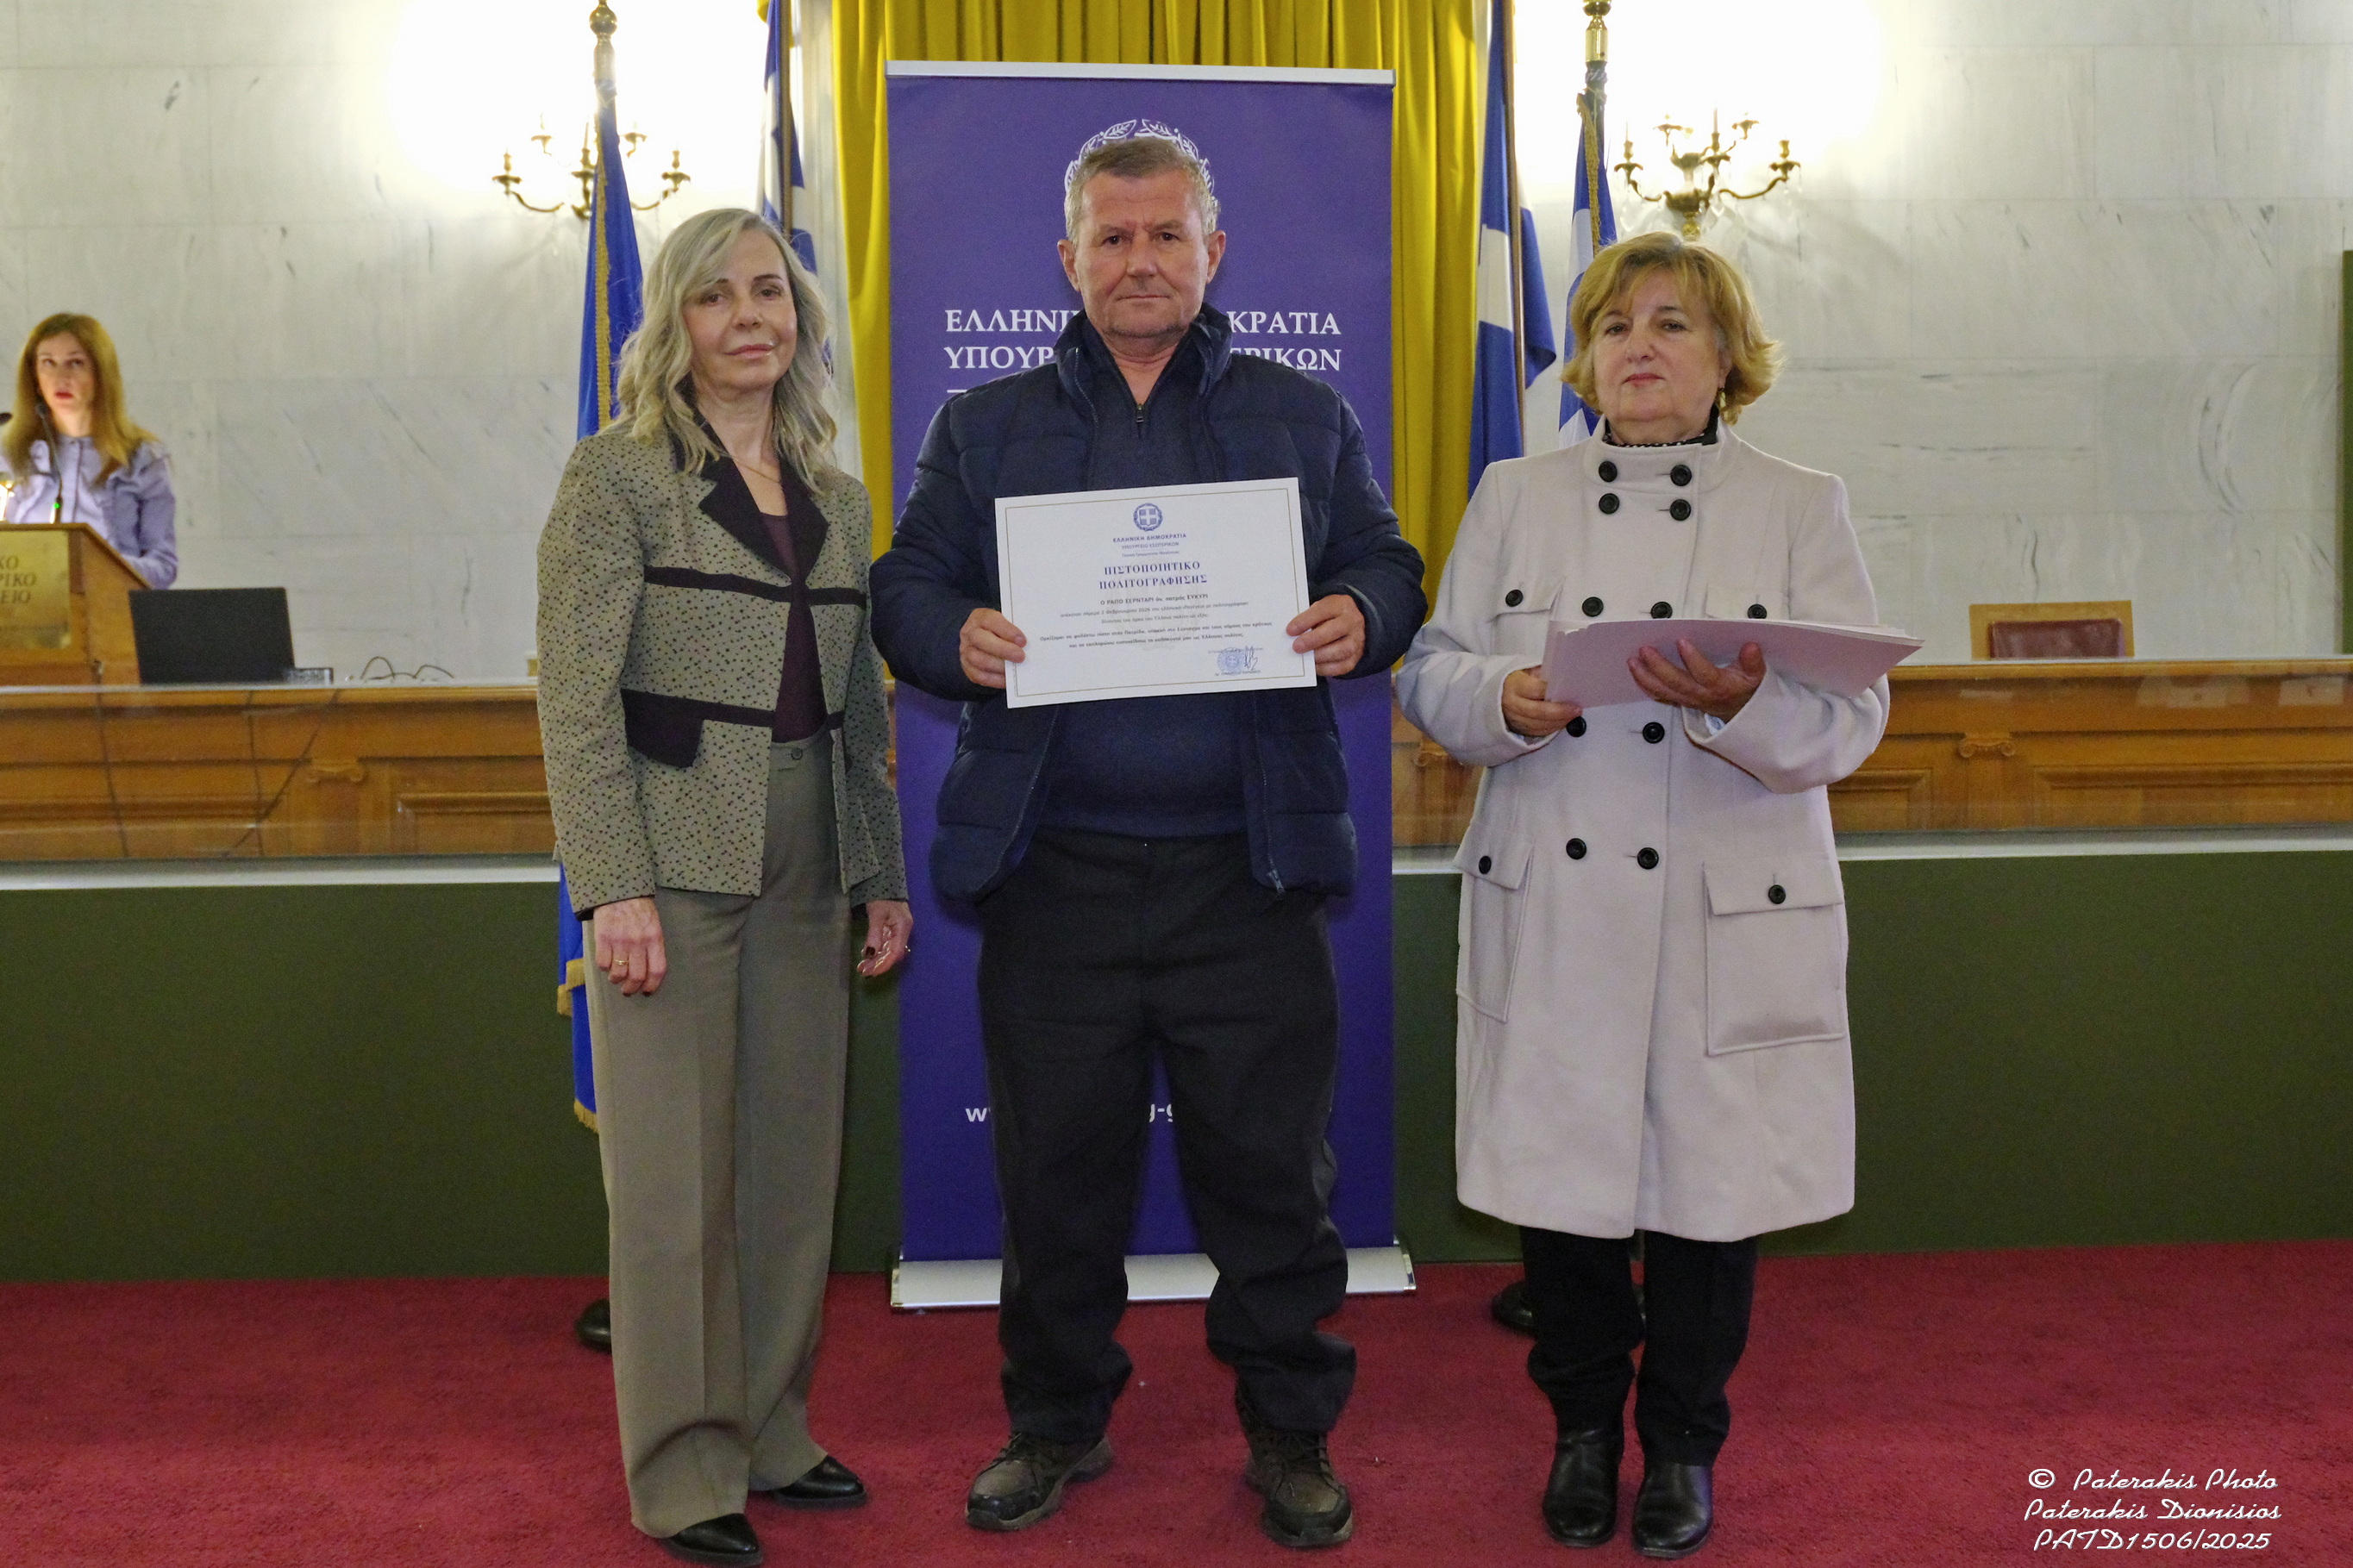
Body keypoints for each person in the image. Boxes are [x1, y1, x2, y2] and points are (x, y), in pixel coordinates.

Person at [871, 132, 1424, 1549]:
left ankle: (1289, 1430)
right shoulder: (981, 425)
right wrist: (951, 633)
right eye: (1110, 238)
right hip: (1054, 875)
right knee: (1056, 1181)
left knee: (1271, 1181)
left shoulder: (1303, 414)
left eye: (1164, 235)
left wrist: (1363, 612)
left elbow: (1386, 562)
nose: (1138, 261)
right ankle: (1055, 1422)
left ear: (1211, 253)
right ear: (1067, 259)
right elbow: (904, 585)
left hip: (1249, 873)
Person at [1397, 229, 1888, 1559]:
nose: (1639, 348)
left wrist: (1742, 701)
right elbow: (1432, 667)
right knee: (1559, 1199)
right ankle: (1578, 1429)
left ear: (1727, 357)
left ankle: (1680, 1444)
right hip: (1557, 901)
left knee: (1709, 1204)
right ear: (1583, 358)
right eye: (1614, 326)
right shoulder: (1516, 492)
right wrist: (1502, 696)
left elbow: (1854, 716)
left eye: (1672, 323)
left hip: (1724, 903)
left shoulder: (1798, 502)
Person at [536, 207, 911, 1568]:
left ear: (800, 318)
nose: (749, 316)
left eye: (769, 291)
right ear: (675, 324)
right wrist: (612, 885)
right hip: (672, 860)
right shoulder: (618, 476)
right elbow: (576, 703)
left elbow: (859, 710)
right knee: (674, 1183)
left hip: (811, 852)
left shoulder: (839, 497)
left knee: (791, 1165)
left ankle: (771, 1429)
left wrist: (879, 870)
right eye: (716, 296)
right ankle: (684, 1466)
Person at [3, 313, 178, 587]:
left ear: (100, 374)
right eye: (48, 363)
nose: (60, 378)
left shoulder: (142, 458)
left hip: (110, 606)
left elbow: (164, 567)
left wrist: (95, 565)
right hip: (31, 606)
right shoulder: (11, 456)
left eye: (75, 363)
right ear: (34, 377)